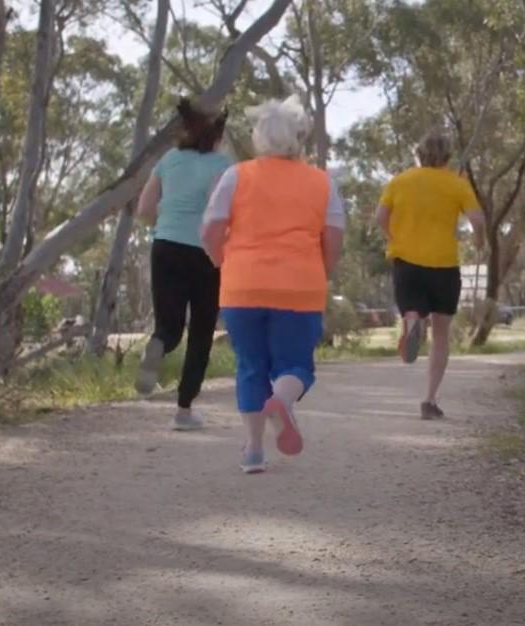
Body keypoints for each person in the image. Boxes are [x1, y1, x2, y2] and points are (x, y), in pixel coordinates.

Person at [199, 96, 345, 475]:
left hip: (242, 287)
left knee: (250, 366)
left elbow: (211, 228)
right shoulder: (321, 182)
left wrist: (220, 260)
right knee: (295, 364)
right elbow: (334, 238)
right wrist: (319, 272)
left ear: (259, 137)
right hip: (300, 288)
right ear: (298, 139)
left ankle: (253, 450)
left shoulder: (237, 175)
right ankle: (282, 399)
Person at [134, 98, 233, 431]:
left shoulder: (169, 160)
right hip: (204, 253)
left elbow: (145, 209)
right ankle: (184, 410)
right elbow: (219, 214)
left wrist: (169, 223)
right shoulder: (221, 166)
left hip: (165, 246)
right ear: (217, 137)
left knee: (170, 326)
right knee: (201, 333)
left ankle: (158, 344)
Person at [376, 129, 485, 420]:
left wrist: (393, 236)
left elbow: (379, 217)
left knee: (412, 309)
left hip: (406, 262)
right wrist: (479, 242)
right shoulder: (457, 184)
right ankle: (429, 399)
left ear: (419, 154)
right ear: (447, 156)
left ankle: (412, 322)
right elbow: (477, 220)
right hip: (444, 264)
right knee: (441, 333)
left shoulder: (400, 182)